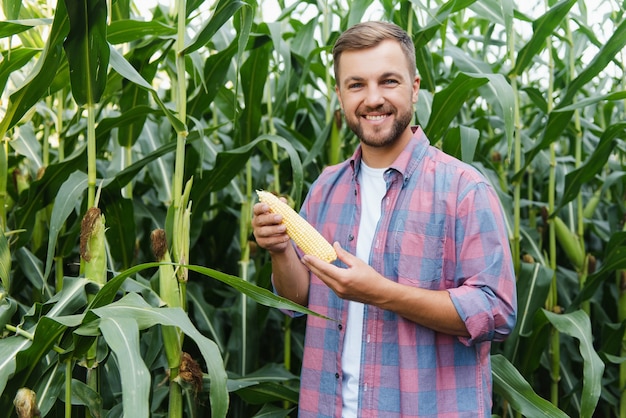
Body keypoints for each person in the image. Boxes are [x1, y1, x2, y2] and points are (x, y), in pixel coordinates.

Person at [252, 21, 517, 418]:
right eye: (356, 85)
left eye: (388, 81)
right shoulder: (326, 187)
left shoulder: (463, 189)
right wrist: (279, 250)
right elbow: (298, 299)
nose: (372, 98)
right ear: (339, 94)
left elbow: (495, 312)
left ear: (414, 86)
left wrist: (380, 292)